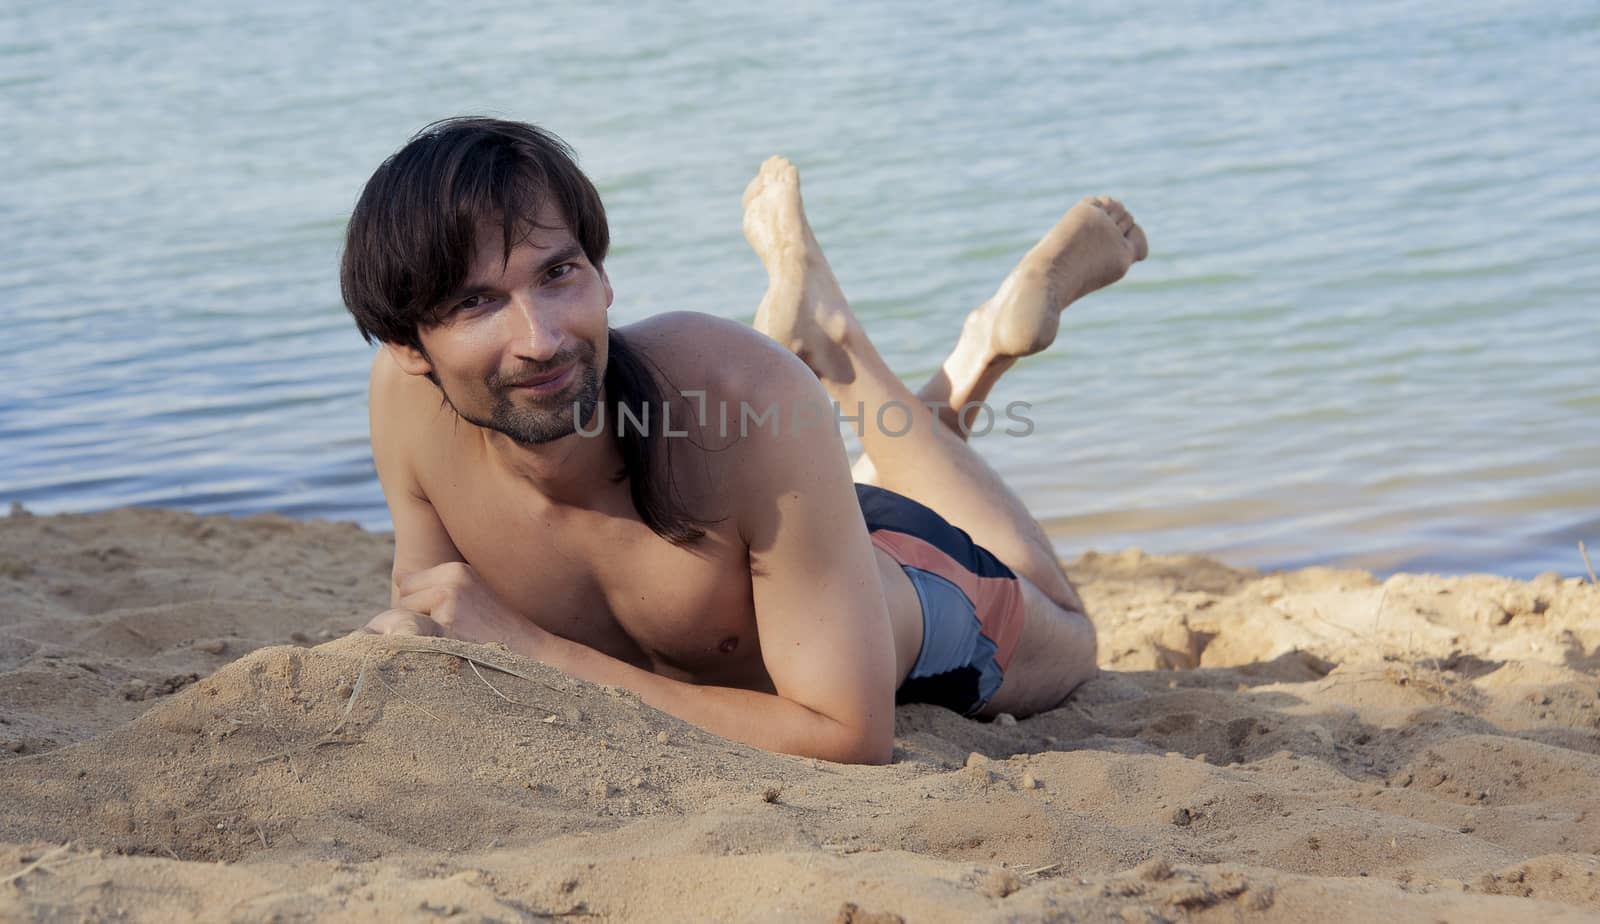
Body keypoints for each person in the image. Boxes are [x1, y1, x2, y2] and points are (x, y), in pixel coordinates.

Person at [341, 117, 1148, 764]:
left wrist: (529, 648)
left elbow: (846, 736)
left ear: (604, 273)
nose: (542, 339)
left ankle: (851, 347)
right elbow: (433, 626)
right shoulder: (405, 408)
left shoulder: (739, 394)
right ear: (409, 348)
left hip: (901, 582)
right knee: (824, 458)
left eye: (558, 274)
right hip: (790, 523)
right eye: (478, 303)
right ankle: (923, 343)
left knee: (1071, 639)